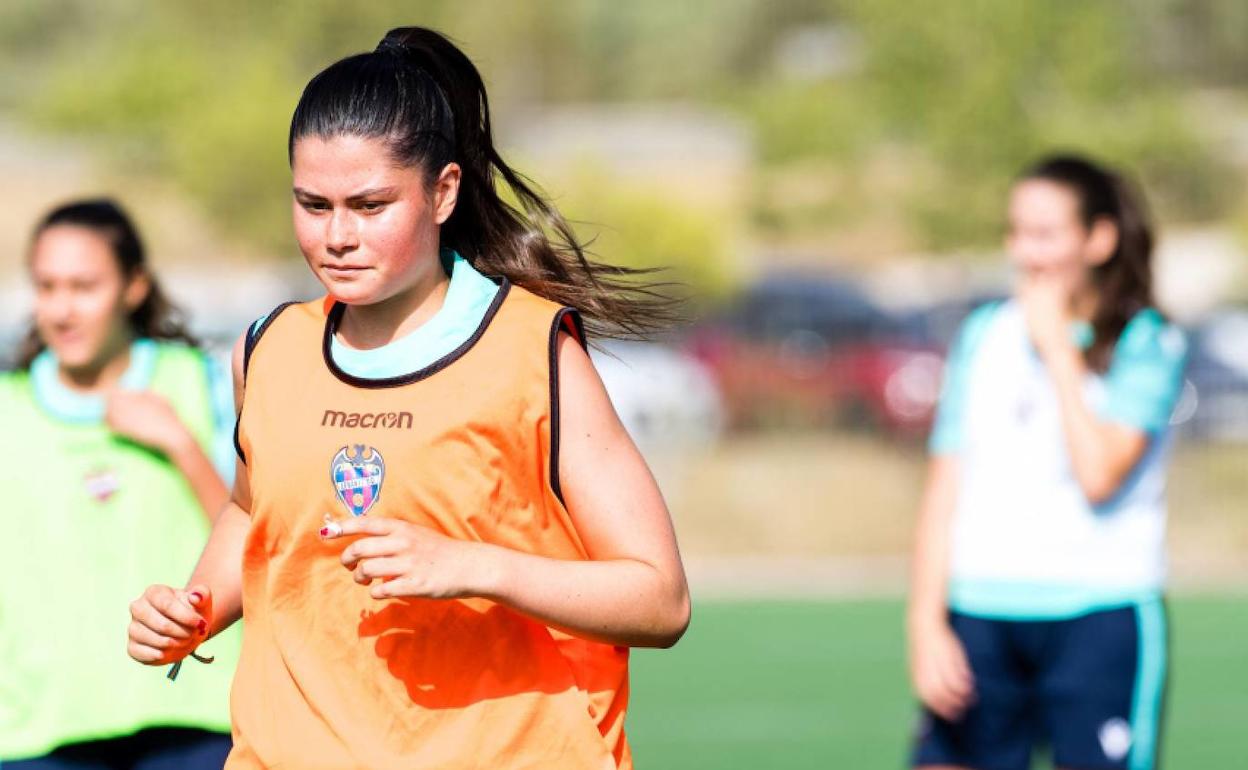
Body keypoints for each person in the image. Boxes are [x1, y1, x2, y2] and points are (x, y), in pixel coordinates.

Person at [127, 26, 690, 769]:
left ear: (443, 191)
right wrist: (192, 610)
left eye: (369, 204)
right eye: (313, 204)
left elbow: (659, 601)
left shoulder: (532, 351)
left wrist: (474, 566)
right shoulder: (268, 350)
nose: (337, 236)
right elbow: (252, 510)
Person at [907, 155, 1187, 770]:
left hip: (1099, 618)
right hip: (979, 614)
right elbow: (945, 486)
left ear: (1099, 238)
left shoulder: (1147, 342)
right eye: (1016, 233)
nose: (1025, 253)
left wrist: (1059, 349)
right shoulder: (982, 335)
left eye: (1045, 234)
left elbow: (1099, 474)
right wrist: (926, 625)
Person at [0, 199, 238, 768]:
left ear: (134, 286)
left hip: (196, 722)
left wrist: (181, 444)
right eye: (47, 287)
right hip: (42, 732)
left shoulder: (207, 383)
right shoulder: (8, 411)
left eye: (84, 286)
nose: (62, 309)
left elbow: (255, 539)